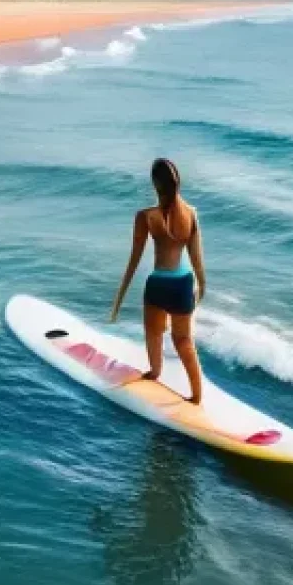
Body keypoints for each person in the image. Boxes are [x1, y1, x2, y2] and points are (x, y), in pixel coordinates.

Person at [109, 158, 206, 404]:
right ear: (178, 182)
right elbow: (196, 259)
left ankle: (155, 372)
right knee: (184, 341)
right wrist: (201, 285)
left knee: (154, 332)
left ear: (155, 185)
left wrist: (118, 300)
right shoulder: (192, 214)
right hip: (183, 284)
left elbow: (134, 260)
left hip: (159, 285)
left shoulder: (146, 217)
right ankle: (196, 396)